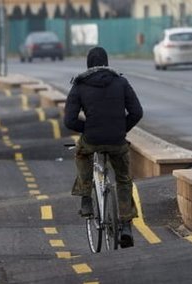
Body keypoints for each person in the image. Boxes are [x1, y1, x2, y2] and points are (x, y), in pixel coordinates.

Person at [64, 46, 143, 248]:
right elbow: (137, 112)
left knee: (82, 153)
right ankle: (125, 225)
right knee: (124, 179)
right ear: (107, 62)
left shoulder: (79, 85)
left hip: (92, 138)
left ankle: (86, 199)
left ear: (88, 63)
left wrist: (87, 128)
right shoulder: (121, 82)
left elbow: (70, 120)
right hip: (117, 140)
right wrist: (120, 129)